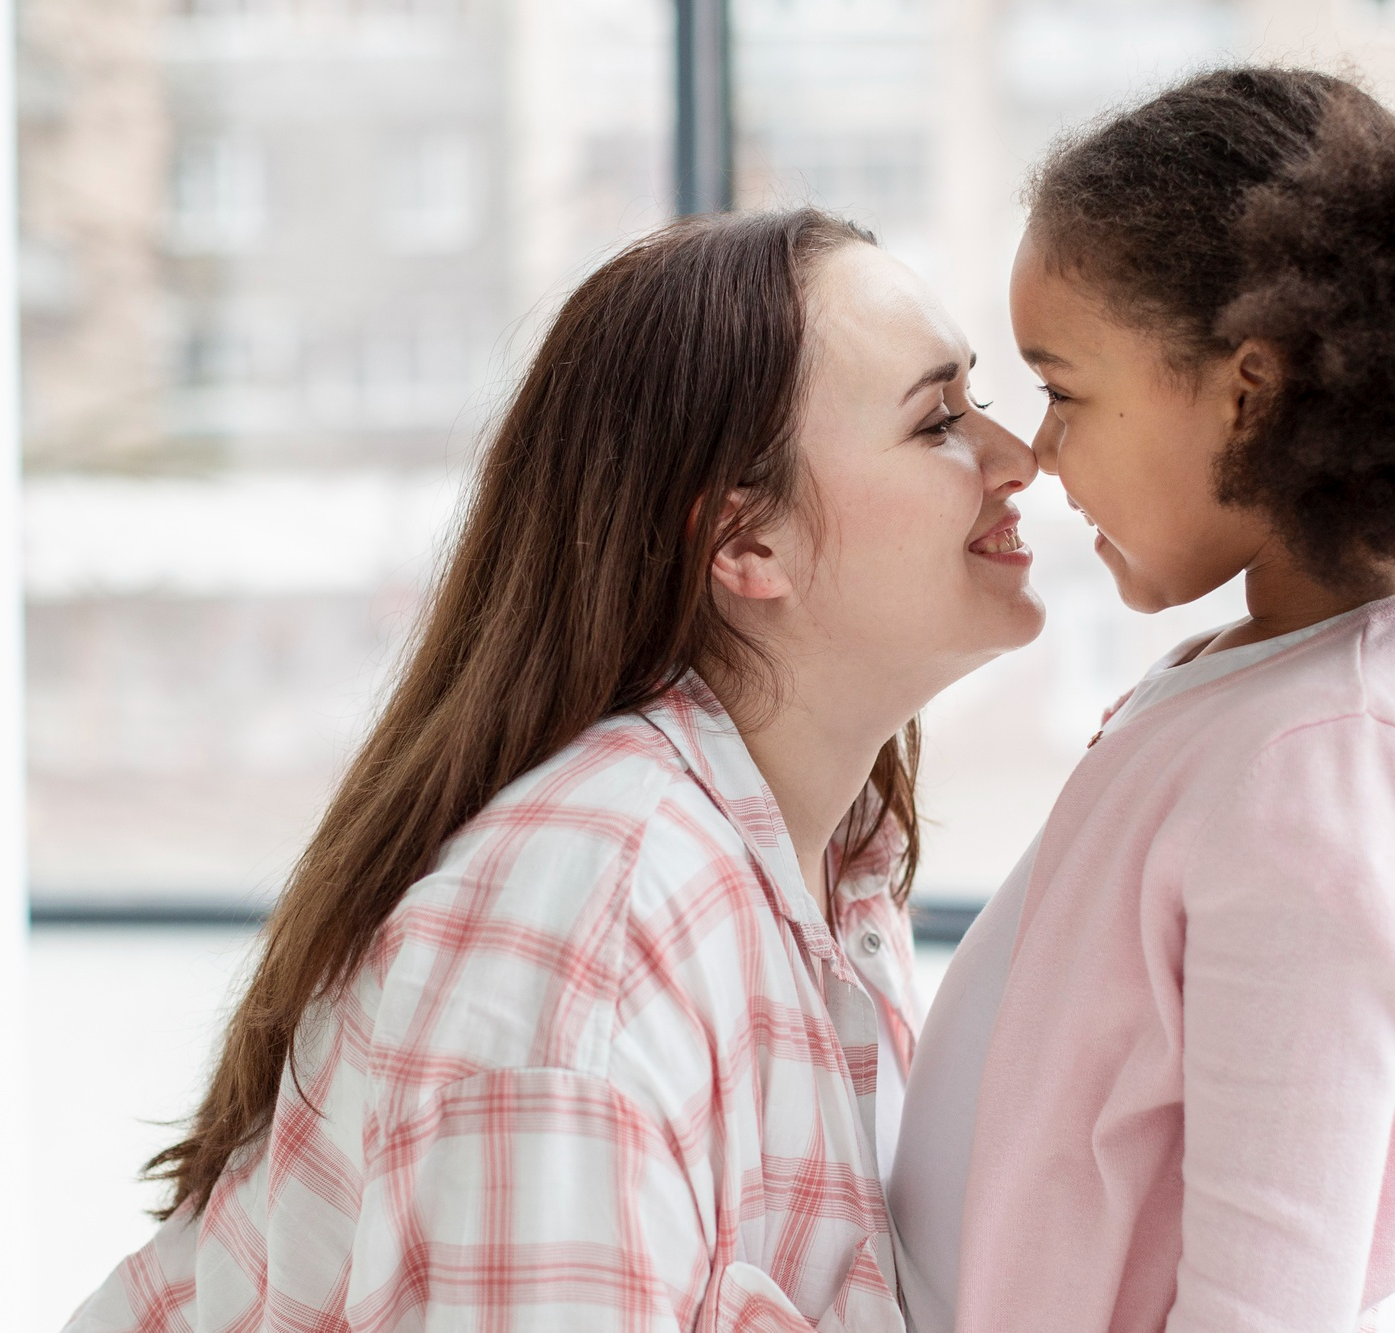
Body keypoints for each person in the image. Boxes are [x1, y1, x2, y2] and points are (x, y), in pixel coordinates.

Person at [63, 207, 1041, 1332]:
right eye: (937, 421)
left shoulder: (822, 872)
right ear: (743, 545)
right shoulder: (602, 917)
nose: (1017, 457)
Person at [891, 66, 1395, 1332]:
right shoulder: (1287, 675)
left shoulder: (1334, 759)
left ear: (1246, 394)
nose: (1038, 457)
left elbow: (1264, 1304)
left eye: (1063, 392)